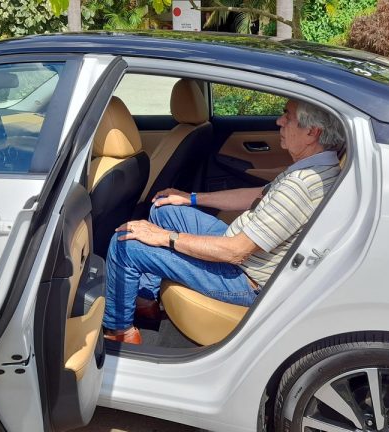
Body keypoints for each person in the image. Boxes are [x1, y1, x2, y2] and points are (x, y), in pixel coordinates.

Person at [103, 98, 346, 344]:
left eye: (288, 116)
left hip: (244, 278)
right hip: (241, 249)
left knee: (125, 244)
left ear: (312, 132)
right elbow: (258, 194)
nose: (279, 121)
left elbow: (236, 252)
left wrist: (165, 238)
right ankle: (146, 301)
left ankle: (120, 333)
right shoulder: (315, 168)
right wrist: (190, 198)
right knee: (164, 207)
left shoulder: (300, 186)